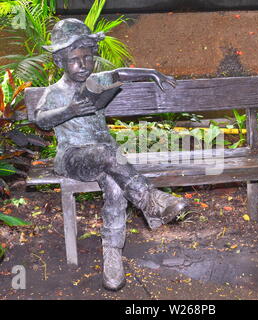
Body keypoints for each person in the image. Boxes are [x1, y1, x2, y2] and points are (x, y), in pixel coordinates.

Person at [35, 18, 188, 291]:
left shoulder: (94, 83)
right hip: (73, 157)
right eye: (75, 60)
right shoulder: (55, 92)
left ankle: (112, 257)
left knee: (116, 187)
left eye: (88, 58)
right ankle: (151, 201)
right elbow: (41, 120)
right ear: (59, 62)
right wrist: (68, 111)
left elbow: (119, 74)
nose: (83, 65)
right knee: (108, 153)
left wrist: (151, 72)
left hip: (105, 158)